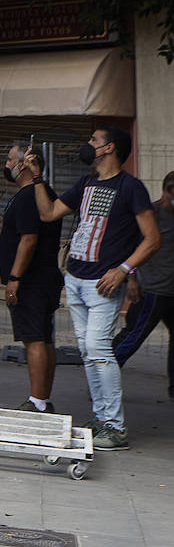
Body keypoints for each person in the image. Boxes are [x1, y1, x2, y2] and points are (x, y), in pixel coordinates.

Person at [32, 127, 161, 449]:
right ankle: (102, 419)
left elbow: (153, 238)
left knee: (99, 350)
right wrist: (36, 178)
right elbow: (48, 214)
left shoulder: (131, 188)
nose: (88, 146)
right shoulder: (86, 183)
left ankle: (115, 427)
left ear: (109, 149)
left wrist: (124, 270)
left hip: (103, 284)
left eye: (94, 141)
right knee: (90, 353)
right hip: (75, 279)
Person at [0, 142, 62, 412]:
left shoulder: (28, 197)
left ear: (24, 164)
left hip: (31, 281)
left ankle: (37, 402)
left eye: (10, 159)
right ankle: (43, 398)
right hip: (43, 278)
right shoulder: (41, 193)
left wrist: (15, 277)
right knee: (44, 338)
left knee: (34, 338)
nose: (7, 163)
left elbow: (28, 239)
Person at [114, 170, 174, 401]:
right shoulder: (151, 214)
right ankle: (101, 382)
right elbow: (132, 250)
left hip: (172, 290)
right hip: (152, 290)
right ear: (168, 190)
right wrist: (132, 279)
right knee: (132, 338)